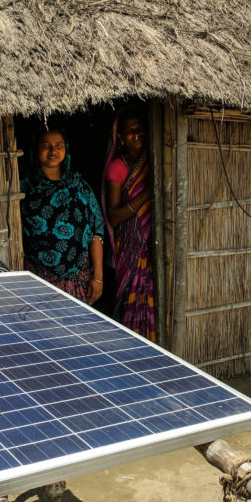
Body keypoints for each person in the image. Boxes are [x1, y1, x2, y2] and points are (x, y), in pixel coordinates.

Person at [21, 127, 104, 304]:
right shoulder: (24, 188)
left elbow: (96, 231)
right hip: (37, 280)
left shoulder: (79, 186)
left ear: (66, 149)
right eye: (46, 145)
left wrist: (98, 277)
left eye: (58, 145)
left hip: (77, 280)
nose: (52, 151)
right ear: (36, 149)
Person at [102, 111, 156, 340]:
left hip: (152, 243)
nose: (137, 134)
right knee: (131, 299)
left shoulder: (152, 158)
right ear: (120, 138)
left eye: (139, 128)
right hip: (132, 248)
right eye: (130, 131)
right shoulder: (118, 167)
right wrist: (146, 195)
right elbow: (114, 216)